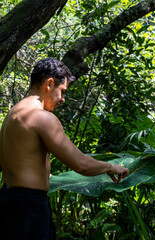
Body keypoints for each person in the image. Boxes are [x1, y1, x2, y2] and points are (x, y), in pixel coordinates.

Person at [0, 58, 129, 239]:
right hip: (30, 209)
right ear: (49, 83)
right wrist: (111, 167)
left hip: (7, 204)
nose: (62, 99)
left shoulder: (12, 114)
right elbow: (81, 164)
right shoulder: (42, 117)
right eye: (62, 92)